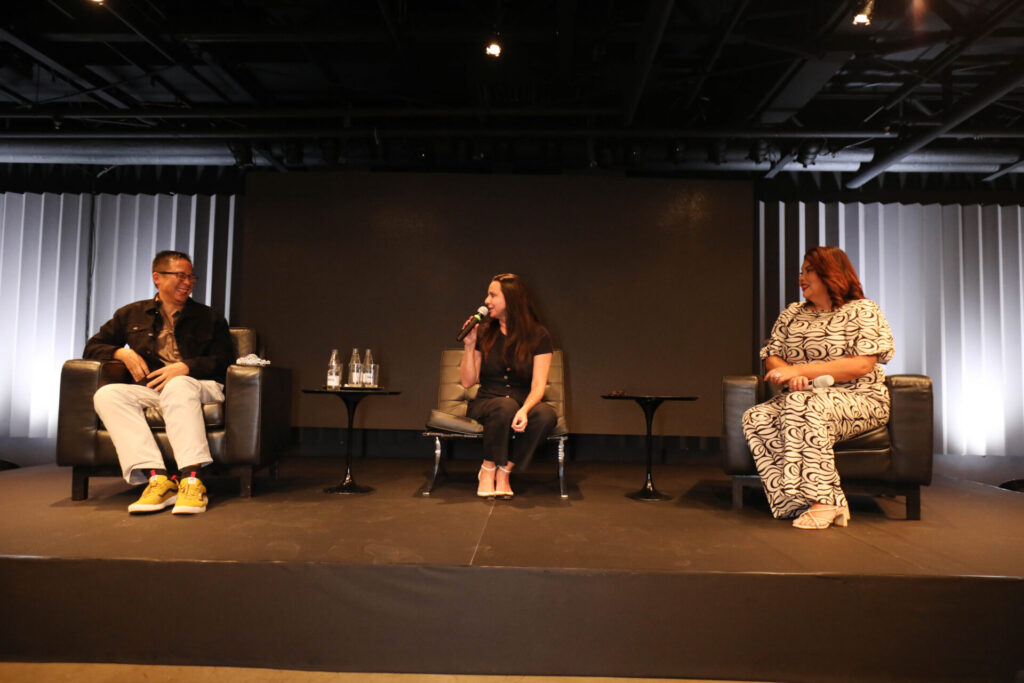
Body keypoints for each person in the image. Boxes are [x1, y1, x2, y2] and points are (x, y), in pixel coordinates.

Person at [741, 246, 894, 530]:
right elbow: (772, 356)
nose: (802, 277)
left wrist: (799, 371)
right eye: (801, 271)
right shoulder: (791, 314)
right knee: (757, 417)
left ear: (831, 274)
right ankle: (799, 502)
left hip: (858, 398)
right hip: (800, 396)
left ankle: (824, 501)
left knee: (804, 404)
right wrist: (790, 378)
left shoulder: (862, 310)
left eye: (809, 270)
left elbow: (861, 364)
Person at [84, 250, 233, 515]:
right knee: (107, 395)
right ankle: (158, 479)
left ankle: (192, 480)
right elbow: (93, 347)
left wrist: (187, 367)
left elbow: (224, 360)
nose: (187, 282)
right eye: (180, 276)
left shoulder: (209, 317)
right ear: (157, 278)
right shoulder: (131, 314)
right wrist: (121, 353)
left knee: (179, 384)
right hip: (156, 389)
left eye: (191, 277)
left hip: (202, 386)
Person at [459, 273, 558, 499]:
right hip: (488, 401)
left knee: (546, 415)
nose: (487, 301)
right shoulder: (484, 332)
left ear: (511, 299)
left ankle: (505, 471)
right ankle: (488, 468)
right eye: (487, 295)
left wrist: (525, 409)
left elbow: (538, 385)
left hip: (522, 401)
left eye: (493, 295)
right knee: (505, 406)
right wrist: (469, 345)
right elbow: (467, 381)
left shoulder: (538, 335)